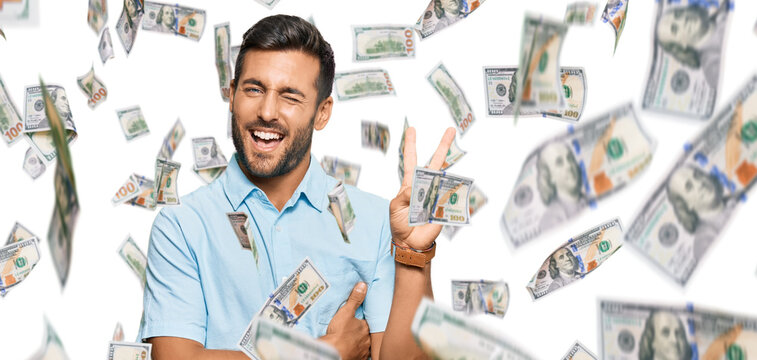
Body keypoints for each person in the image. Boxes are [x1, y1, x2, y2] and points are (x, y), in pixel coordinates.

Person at [138, 15, 455, 360]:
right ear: (231, 95)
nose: (267, 111)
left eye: (290, 96)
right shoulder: (182, 227)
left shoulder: (376, 222)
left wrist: (412, 257)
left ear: (322, 113)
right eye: (254, 89)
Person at [666, 164, 732, 262]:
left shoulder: (737, 198)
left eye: (697, 176)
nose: (699, 184)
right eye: (689, 187)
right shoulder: (704, 242)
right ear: (686, 205)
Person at [655, 1, 730, 88]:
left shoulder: (723, 8)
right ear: (681, 45)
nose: (683, 21)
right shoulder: (712, 67)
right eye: (675, 29)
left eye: (678, 15)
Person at [536, 142, 585, 230]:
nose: (569, 165)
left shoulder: (589, 200)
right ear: (549, 177)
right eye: (559, 163)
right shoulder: (551, 219)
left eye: (570, 158)